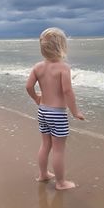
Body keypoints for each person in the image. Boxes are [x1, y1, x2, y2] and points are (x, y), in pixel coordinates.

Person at [26, 27, 85, 190]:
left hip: (43, 111)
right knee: (58, 150)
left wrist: (37, 98)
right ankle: (61, 183)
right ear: (62, 47)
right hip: (57, 114)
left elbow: (29, 86)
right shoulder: (63, 67)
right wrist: (75, 111)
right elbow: (67, 91)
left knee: (45, 145)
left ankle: (43, 174)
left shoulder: (38, 67)